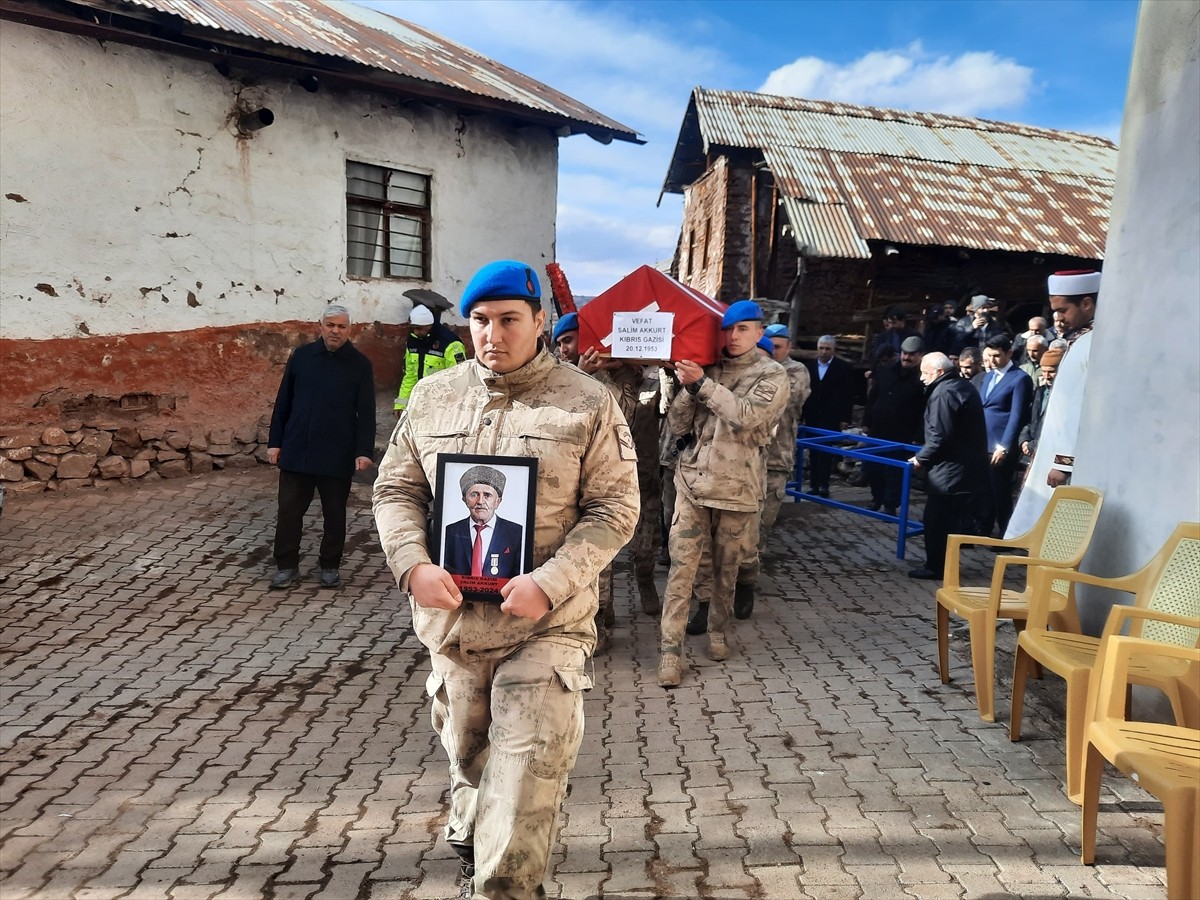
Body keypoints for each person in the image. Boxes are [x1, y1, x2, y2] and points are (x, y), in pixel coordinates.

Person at [372, 259, 639, 899]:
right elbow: (395, 490)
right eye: (481, 321)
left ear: (540, 321)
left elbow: (616, 509)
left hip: (546, 624)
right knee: (470, 756)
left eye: (510, 320)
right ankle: (470, 825)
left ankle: (502, 886)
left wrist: (550, 580)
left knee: (523, 775)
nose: (494, 334)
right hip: (455, 624)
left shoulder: (587, 402)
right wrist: (412, 563)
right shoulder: (436, 396)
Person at [658, 300, 788, 688]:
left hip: (738, 490)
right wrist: (686, 388)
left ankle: (718, 630)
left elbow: (748, 416)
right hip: (693, 486)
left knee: (726, 570)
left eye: (743, 329)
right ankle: (669, 650)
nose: (734, 336)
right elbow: (678, 423)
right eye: (729, 329)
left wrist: (701, 384)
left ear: (759, 332)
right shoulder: (707, 366)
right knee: (682, 570)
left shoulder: (772, 374)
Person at [267, 304, 375, 589]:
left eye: (341, 326)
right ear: (320, 326)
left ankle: (329, 565)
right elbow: (284, 402)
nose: (335, 331)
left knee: (334, 514)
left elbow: (366, 412)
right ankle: (286, 566)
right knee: (289, 512)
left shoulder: (360, 365)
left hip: (336, 453)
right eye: (330, 325)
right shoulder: (301, 357)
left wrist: (363, 450)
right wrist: (275, 442)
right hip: (296, 450)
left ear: (349, 330)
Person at [1006, 270, 1100, 538]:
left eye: (1062, 310)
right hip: (1053, 452)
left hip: (1068, 464)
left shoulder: (1095, 343)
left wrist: (1063, 463)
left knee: (1057, 534)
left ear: (1086, 303)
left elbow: (1080, 406)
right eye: (1054, 311)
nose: (1056, 318)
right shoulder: (1079, 340)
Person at [735, 323, 812, 618]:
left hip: (776, 460)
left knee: (760, 528)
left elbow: (782, 403)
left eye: (778, 346)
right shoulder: (751, 372)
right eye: (768, 346)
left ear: (787, 348)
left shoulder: (795, 372)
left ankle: (748, 581)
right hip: (746, 461)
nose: (773, 351)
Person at [907, 352, 987, 580]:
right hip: (961, 469)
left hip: (950, 472)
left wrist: (921, 458)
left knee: (937, 521)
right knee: (948, 520)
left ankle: (936, 567)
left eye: (925, 372)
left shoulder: (944, 392)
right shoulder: (960, 386)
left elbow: (940, 436)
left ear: (939, 372)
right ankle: (945, 564)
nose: (921, 378)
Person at [862, 335, 926, 516]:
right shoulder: (885, 370)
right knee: (871, 467)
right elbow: (873, 397)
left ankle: (891, 505)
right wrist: (867, 421)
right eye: (905, 353)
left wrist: (918, 436)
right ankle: (877, 498)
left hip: (903, 432)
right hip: (878, 429)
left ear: (921, 355)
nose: (907, 358)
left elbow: (924, 410)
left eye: (912, 355)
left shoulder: (922, 379)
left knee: (896, 471)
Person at [976, 335, 1032, 536]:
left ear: (1009, 353)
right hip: (984, 441)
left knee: (1000, 490)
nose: (992, 360)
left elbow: (1017, 415)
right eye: (989, 355)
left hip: (1001, 443)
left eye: (997, 356)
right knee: (985, 488)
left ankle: (1006, 531)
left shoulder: (1020, 379)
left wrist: (1004, 446)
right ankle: (983, 527)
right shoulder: (989, 375)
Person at [442, 465, 524, 578]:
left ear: (498, 501)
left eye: (487, 495)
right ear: (465, 500)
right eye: (474, 495)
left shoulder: (517, 533)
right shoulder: (449, 532)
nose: (480, 501)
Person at [802, 335, 855, 497]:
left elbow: (848, 395)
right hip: (812, 415)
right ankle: (813, 485)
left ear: (834, 350)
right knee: (813, 452)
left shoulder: (843, 368)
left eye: (828, 349)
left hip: (830, 416)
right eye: (821, 348)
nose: (824, 352)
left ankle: (824, 485)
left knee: (826, 452)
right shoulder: (808, 367)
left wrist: (845, 418)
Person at [394, 304, 467, 415]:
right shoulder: (413, 342)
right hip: (420, 402)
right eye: (413, 328)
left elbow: (459, 379)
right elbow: (410, 376)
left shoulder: (451, 344)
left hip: (443, 404)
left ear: (430, 325)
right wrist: (401, 404)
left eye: (419, 328)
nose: (416, 332)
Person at [1018, 344, 1064, 464]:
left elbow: (1058, 428)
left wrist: (1034, 445)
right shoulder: (1040, 391)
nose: (1047, 376)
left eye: (1051, 372)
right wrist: (1024, 439)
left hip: (1049, 454)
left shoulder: (1066, 396)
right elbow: (1030, 420)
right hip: (1030, 453)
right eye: (1044, 371)